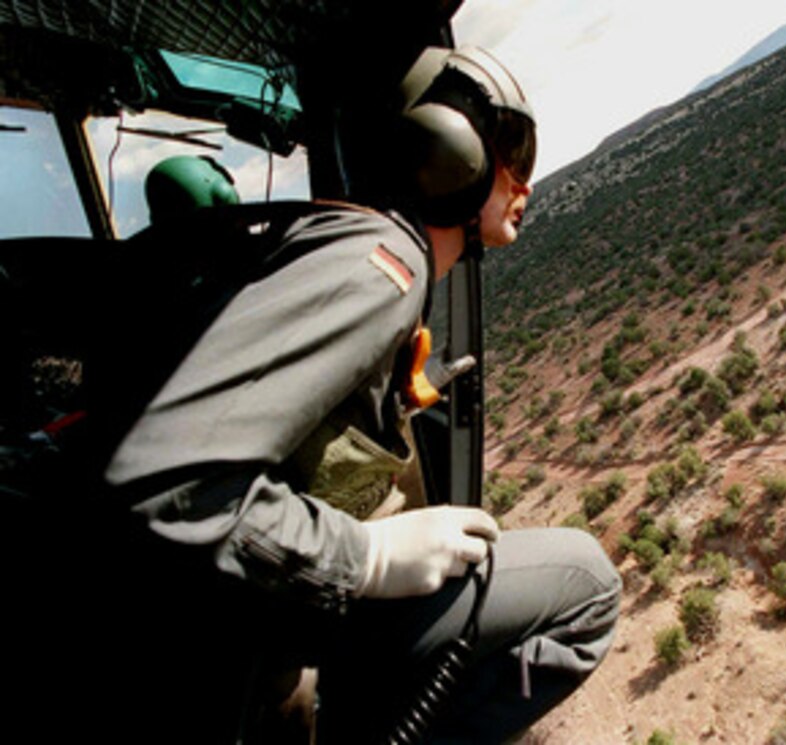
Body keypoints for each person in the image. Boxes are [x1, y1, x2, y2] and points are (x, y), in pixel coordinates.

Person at [94, 46, 621, 744]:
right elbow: (166, 480)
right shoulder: (385, 259)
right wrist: (366, 557)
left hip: (237, 613)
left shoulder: (352, 246)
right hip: (269, 618)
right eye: (512, 152)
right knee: (587, 582)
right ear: (451, 148)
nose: (525, 181)